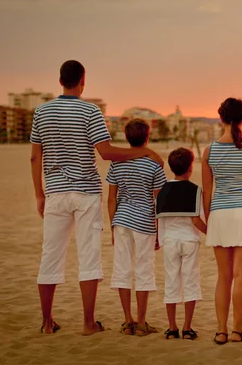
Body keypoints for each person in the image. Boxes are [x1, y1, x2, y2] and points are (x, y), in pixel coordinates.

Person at [30, 60, 163, 335]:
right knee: (88, 257)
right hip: (86, 192)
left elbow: (35, 156)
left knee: (50, 255)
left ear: (59, 81)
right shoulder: (90, 110)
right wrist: (145, 153)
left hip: (55, 192)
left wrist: (39, 194)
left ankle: (46, 322)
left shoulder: (41, 112)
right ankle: (89, 323)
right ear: (82, 81)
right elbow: (105, 152)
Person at [202, 97, 242, 344]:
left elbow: (207, 191)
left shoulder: (209, 151)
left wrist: (210, 221)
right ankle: (238, 330)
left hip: (220, 214)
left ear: (221, 118)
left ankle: (221, 330)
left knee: (223, 276)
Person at [106, 118, 166, 336]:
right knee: (144, 270)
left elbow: (111, 199)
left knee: (121, 268)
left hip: (121, 220)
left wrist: (113, 225)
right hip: (145, 222)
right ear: (147, 137)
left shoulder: (116, 164)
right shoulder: (154, 166)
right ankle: (141, 323)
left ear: (126, 138)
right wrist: (159, 230)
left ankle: (127, 320)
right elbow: (159, 202)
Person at [156, 148, 207, 340]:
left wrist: (159, 240)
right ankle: (187, 327)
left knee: (171, 280)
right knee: (190, 280)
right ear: (190, 168)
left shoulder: (162, 191)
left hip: (169, 240)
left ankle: (171, 327)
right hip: (189, 240)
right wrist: (211, 233)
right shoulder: (195, 190)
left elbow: (159, 219)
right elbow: (196, 220)